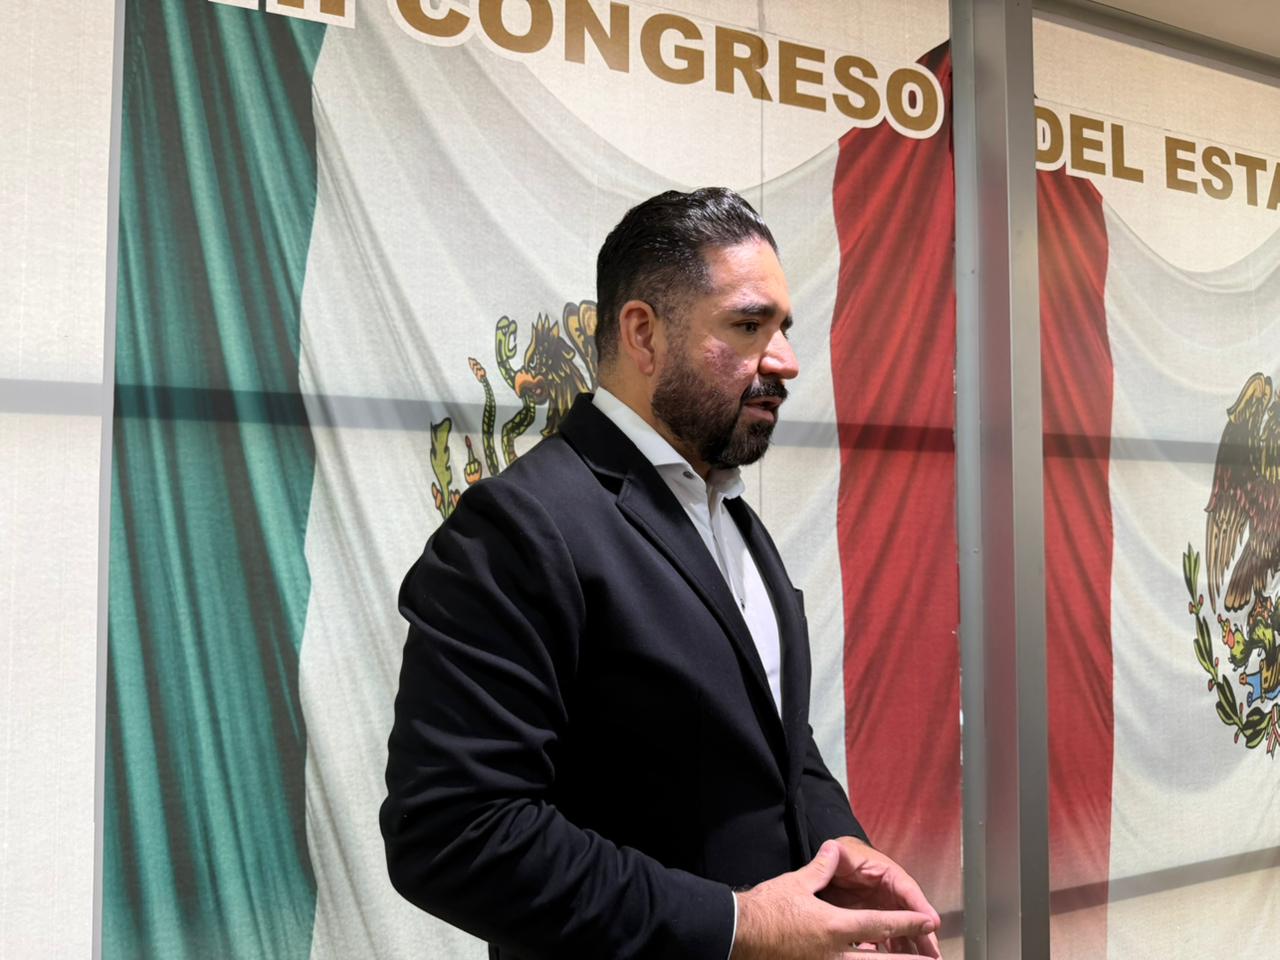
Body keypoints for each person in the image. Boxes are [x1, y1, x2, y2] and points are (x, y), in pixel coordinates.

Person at [381, 188, 942, 959]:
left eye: (782, 328)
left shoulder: (730, 514)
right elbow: (454, 834)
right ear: (643, 334)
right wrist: (738, 926)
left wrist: (839, 851)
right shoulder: (519, 529)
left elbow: (774, 746)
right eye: (748, 326)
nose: (785, 360)